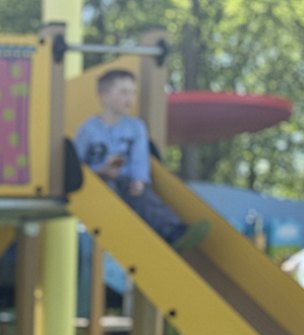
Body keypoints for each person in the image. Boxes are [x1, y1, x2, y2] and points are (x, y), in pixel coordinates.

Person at [74, 68, 210, 251]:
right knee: (110, 191)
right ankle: (130, 233)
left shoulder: (135, 127)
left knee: (145, 198)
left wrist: (140, 179)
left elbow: (140, 157)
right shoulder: (88, 129)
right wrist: (98, 171)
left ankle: (173, 231)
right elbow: (76, 161)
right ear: (104, 96)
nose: (129, 98)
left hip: (127, 180)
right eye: (123, 92)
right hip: (99, 182)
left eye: (133, 92)